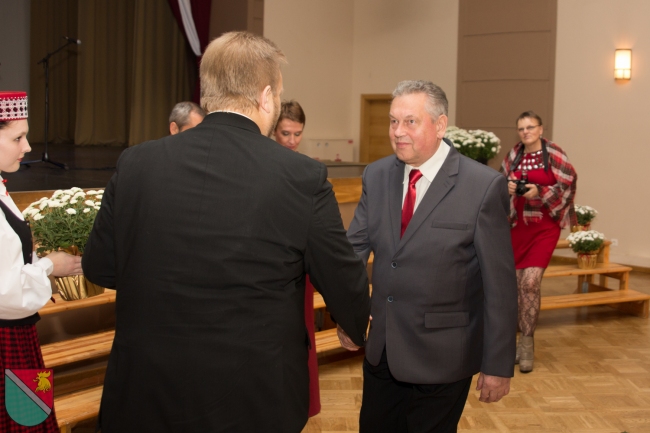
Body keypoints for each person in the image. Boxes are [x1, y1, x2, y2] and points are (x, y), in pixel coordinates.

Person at [82, 32, 370, 433]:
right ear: (266, 97)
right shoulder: (300, 176)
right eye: (277, 95)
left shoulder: (136, 163)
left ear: (208, 92)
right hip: (253, 397)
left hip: (146, 392)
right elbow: (341, 274)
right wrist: (354, 326)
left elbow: (99, 266)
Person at [344, 80, 518, 433]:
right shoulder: (377, 175)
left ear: (440, 125)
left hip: (444, 357)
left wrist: (498, 364)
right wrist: (348, 317)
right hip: (383, 351)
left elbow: (500, 286)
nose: (398, 131)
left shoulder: (482, 186)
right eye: (393, 121)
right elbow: (352, 253)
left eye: (410, 122)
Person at [0, 91, 82, 432]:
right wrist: (50, 265)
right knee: (25, 423)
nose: (28, 146)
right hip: (8, 340)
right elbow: (6, 291)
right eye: (17, 138)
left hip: (18, 335)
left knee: (31, 418)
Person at [500, 111, 577, 373]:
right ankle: (511, 344)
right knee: (514, 287)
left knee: (530, 283)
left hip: (544, 227)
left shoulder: (554, 153)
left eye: (530, 127)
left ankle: (527, 345)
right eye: (521, 128)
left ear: (541, 129)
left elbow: (569, 183)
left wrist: (540, 191)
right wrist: (508, 187)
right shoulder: (514, 154)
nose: (526, 132)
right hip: (516, 227)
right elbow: (499, 181)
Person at [272, 99, 321, 416]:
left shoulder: (307, 169)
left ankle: (303, 402)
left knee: (302, 333)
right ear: (273, 131)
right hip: (269, 264)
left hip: (299, 264)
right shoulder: (263, 162)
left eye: (297, 134)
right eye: (285, 133)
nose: (292, 141)